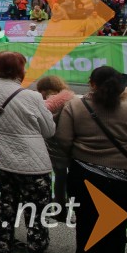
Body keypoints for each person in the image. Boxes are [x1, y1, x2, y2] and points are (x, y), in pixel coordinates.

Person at [55, 66, 127, 253]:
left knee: (87, 227)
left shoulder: (75, 106)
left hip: (85, 178)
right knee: (116, 233)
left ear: (91, 83)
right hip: (123, 182)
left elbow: (63, 139)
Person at [0, 52, 56, 253]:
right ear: (19, 70)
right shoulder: (32, 96)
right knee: (37, 219)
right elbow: (49, 130)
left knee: (4, 212)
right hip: (32, 166)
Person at [35, 75, 78, 222]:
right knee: (70, 181)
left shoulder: (43, 105)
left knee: (55, 180)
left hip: (50, 148)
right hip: (69, 148)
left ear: (45, 90)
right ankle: (70, 211)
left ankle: (55, 211)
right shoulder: (72, 102)